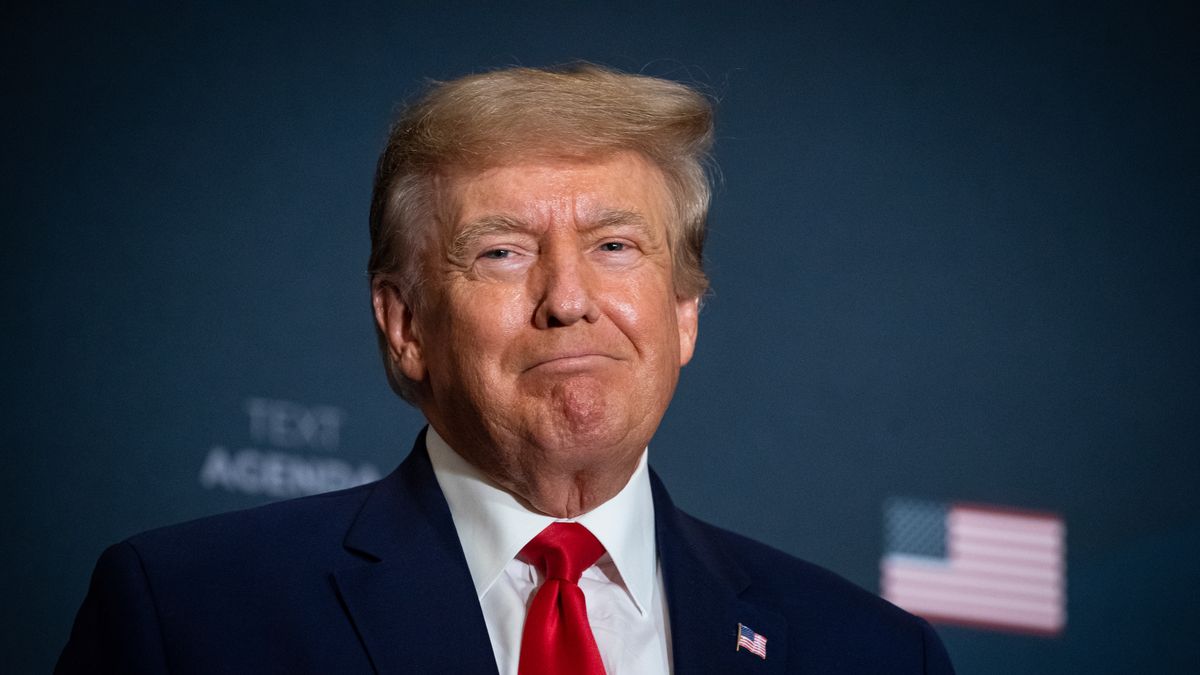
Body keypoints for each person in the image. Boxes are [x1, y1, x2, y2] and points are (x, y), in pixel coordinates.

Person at [57, 64, 955, 674]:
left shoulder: (870, 652)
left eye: (614, 244)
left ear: (685, 312)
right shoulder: (190, 617)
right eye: (500, 251)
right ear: (405, 323)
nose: (568, 298)